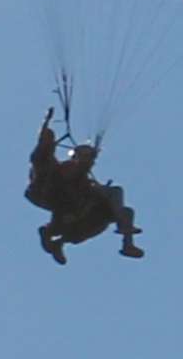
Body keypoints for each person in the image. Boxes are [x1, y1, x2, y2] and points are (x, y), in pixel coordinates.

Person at [24, 110, 144, 263]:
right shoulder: (54, 169)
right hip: (51, 195)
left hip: (70, 206)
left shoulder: (83, 182)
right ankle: (50, 234)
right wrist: (46, 124)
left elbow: (86, 182)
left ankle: (127, 242)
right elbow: (44, 147)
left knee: (120, 209)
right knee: (70, 207)